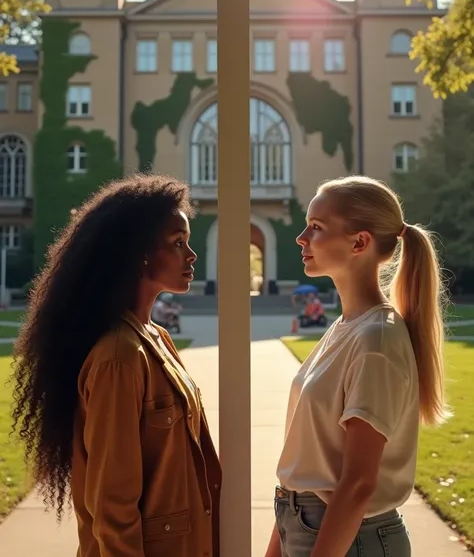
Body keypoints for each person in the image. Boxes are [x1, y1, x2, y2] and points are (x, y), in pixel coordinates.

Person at [11, 173, 221, 557]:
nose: (191, 256)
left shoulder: (154, 337)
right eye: (178, 243)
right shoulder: (119, 358)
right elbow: (113, 508)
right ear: (139, 253)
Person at [265, 175, 447, 557]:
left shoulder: (375, 339)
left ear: (359, 242)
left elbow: (358, 483)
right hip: (305, 524)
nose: (301, 238)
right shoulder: (347, 327)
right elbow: (306, 461)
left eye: (315, 228)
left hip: (348, 540)